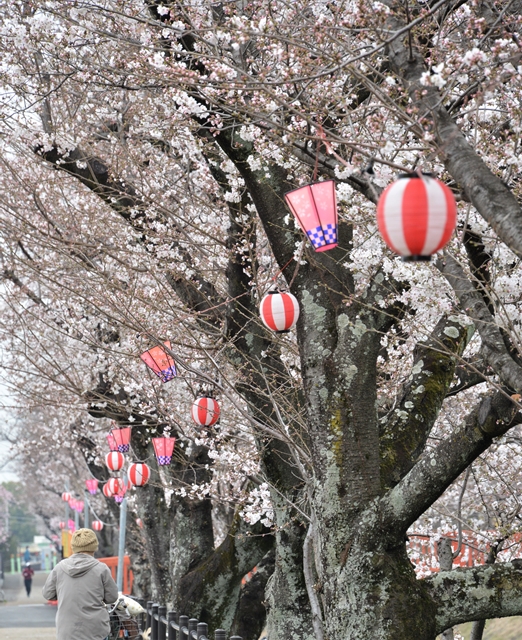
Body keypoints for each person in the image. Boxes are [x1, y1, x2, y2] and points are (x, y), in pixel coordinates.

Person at [42, 528, 119, 640]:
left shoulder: (59, 568)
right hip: (96, 631)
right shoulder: (101, 569)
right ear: (94, 547)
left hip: (67, 631)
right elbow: (112, 597)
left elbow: (48, 594)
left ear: (74, 547)